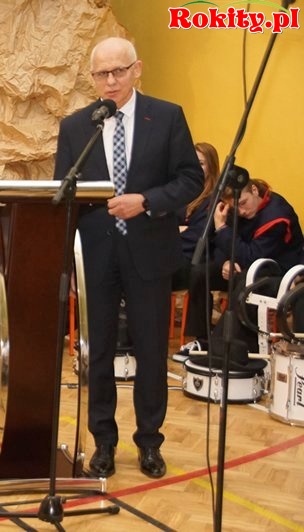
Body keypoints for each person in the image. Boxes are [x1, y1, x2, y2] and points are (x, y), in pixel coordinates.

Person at [54, 37, 203, 479]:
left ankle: (149, 442)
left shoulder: (167, 116)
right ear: (92, 78)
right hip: (97, 255)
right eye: (102, 74)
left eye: (118, 71)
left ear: (137, 69)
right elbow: (65, 194)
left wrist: (147, 201)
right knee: (97, 354)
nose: (111, 81)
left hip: (150, 253)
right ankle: (103, 441)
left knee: (151, 353)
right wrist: (67, 260)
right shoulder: (77, 126)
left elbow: (191, 179)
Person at [175, 172, 303, 360]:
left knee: (245, 282)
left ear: (254, 190)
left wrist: (221, 228)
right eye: (236, 206)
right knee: (200, 273)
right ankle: (202, 339)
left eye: (243, 203)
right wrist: (226, 261)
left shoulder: (278, 216)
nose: (241, 211)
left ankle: (224, 347)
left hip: (278, 272)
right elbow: (221, 243)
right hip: (245, 266)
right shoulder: (234, 207)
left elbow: (251, 255)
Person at [173, 142, 220, 291]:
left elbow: (197, 236)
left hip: (193, 262)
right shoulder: (182, 193)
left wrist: (172, 233)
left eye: (201, 163)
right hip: (171, 253)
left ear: (211, 167)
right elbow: (162, 224)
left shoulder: (216, 200)